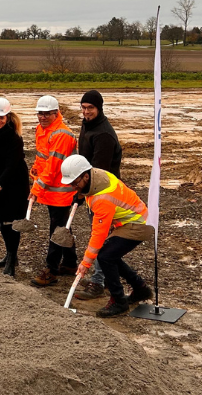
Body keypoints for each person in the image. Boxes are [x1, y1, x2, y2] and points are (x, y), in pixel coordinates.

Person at [60, 154, 154, 317]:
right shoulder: (97, 176)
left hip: (138, 225)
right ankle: (140, 289)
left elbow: (99, 234)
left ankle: (119, 301)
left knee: (105, 257)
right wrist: (81, 194)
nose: (73, 187)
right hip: (131, 221)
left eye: (75, 183)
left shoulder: (102, 198)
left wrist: (85, 263)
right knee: (110, 256)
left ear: (86, 176)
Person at [74, 90, 124, 300]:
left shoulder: (103, 134)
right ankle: (99, 276)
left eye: (90, 108)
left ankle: (99, 282)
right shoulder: (88, 125)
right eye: (84, 108)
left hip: (104, 193)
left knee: (101, 237)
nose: (86, 112)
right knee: (99, 236)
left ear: (99, 108)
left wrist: (81, 191)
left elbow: (98, 172)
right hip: (91, 190)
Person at [29, 95, 79, 287]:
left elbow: (54, 166)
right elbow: (42, 158)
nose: (42, 117)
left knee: (57, 229)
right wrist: (35, 170)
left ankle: (51, 269)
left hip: (62, 190)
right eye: (40, 114)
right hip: (52, 189)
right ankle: (69, 263)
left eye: (47, 114)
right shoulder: (42, 130)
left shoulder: (61, 135)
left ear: (56, 113)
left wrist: (36, 189)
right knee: (63, 225)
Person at [0, 98, 30, 277]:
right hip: (0, 177)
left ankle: (12, 259)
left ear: (8, 116)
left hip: (15, 183)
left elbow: (12, 165)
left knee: (12, 222)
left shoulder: (15, 137)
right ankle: (9, 254)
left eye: (1, 117)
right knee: (2, 218)